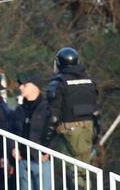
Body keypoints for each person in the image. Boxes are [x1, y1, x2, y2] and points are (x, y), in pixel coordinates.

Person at [42, 47, 99, 176]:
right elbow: (96, 112)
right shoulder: (89, 81)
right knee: (85, 169)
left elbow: (53, 117)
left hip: (69, 131)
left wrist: (45, 143)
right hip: (89, 130)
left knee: (73, 171)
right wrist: (96, 134)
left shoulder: (59, 83)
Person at [12, 71, 54, 190]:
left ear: (35, 86)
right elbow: (14, 132)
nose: (21, 88)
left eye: (24, 85)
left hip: (41, 159)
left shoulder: (48, 108)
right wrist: (13, 147)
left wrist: (48, 151)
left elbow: (53, 131)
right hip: (23, 160)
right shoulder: (19, 110)